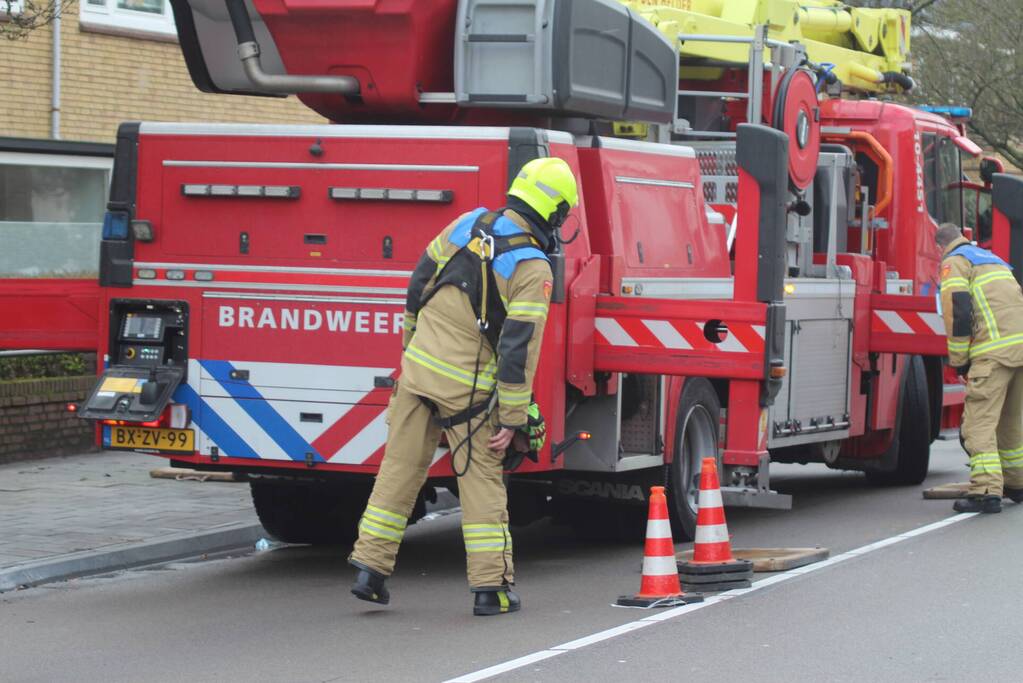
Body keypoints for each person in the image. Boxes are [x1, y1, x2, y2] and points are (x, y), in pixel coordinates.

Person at [347, 157, 579, 615]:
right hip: (467, 393)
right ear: (554, 214)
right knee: (482, 486)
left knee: (398, 473)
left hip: (417, 372)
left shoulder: (467, 222)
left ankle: (369, 573)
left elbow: (418, 284)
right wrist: (513, 419)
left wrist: (410, 346)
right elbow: (518, 351)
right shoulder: (533, 269)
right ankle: (491, 591)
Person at [936, 223, 1023, 513]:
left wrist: (959, 360)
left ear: (940, 247)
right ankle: (1017, 482)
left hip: (993, 353)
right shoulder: (990, 258)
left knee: (978, 424)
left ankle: (985, 489)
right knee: (1011, 423)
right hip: (1019, 350)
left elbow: (957, 312)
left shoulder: (954, 263)